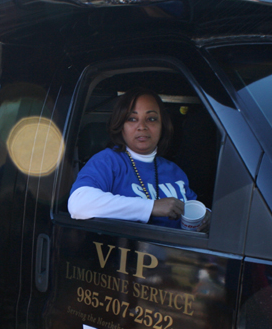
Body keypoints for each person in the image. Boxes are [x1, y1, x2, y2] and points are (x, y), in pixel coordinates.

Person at [69, 87, 197, 228]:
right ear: (121, 125)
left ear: (162, 125)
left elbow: (193, 210)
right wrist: (151, 207)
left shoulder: (174, 171)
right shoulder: (108, 161)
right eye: (132, 119)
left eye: (151, 119)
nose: (142, 126)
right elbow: (79, 204)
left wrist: (206, 218)